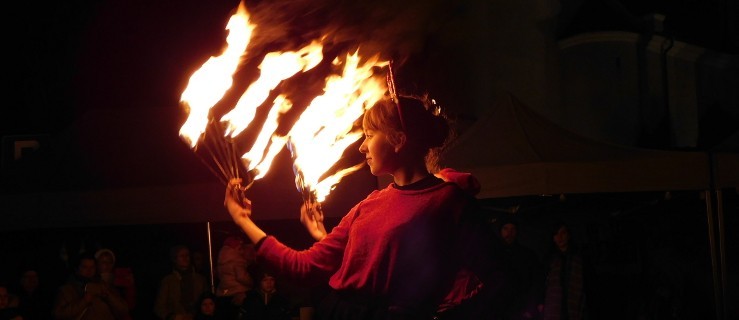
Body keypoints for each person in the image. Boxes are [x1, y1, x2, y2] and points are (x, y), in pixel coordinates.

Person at [224, 94, 495, 320]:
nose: (362, 146)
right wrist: (244, 220)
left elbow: (495, 278)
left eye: (369, 135)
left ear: (398, 140)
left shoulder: (449, 201)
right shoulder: (368, 205)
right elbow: (305, 267)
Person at [52, 251, 130, 320]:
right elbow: (59, 315)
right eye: (84, 267)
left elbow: (123, 310)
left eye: (92, 267)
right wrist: (83, 301)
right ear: (77, 269)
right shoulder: (67, 290)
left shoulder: (104, 286)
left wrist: (108, 295)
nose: (89, 270)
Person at [541, 220, 593, 320]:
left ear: (568, 235)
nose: (560, 237)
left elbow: (588, 280)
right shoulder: (549, 259)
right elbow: (542, 282)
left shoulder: (579, 258)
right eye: (556, 234)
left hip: (575, 301)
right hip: (554, 304)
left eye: (563, 233)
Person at [497, 217, 544, 320]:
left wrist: (530, 309)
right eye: (506, 229)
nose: (509, 233)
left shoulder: (528, 255)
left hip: (520, 310)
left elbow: (536, 282)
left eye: (513, 229)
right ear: (500, 231)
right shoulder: (492, 254)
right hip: (498, 309)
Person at [154, 244, 209, 320]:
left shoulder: (200, 279)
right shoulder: (167, 281)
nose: (185, 258)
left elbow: (207, 301)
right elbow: (159, 307)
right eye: (182, 256)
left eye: (187, 255)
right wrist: (174, 317)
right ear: (175, 259)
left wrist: (195, 314)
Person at [215, 234, 255, 319]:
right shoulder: (238, 261)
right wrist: (251, 283)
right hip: (238, 291)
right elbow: (241, 277)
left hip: (223, 293)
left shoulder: (221, 262)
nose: (242, 252)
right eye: (240, 249)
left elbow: (219, 276)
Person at [94, 249, 137, 313]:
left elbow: (129, 306)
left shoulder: (119, 281)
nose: (107, 265)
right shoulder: (92, 281)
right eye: (103, 262)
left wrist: (130, 285)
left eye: (110, 262)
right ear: (97, 264)